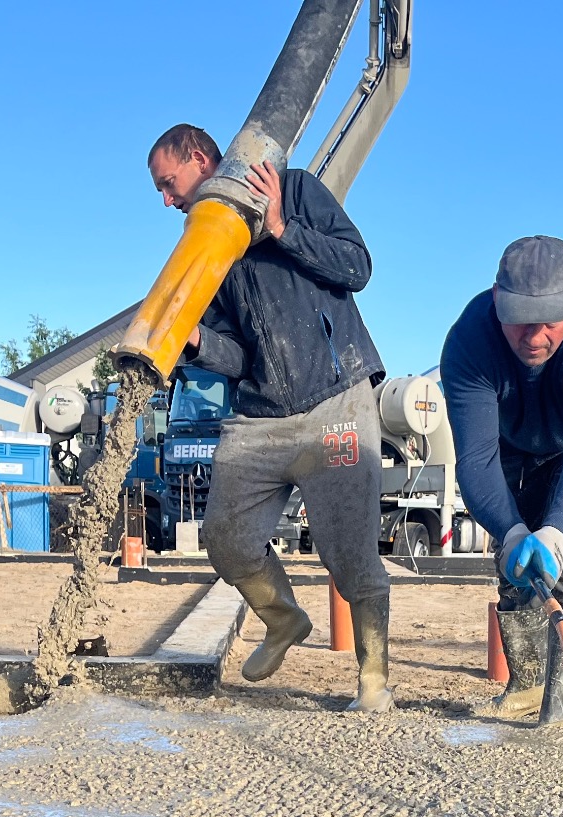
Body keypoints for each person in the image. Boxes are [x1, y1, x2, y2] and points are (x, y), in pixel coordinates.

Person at [147, 123, 393, 711]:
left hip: (335, 398)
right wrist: (199, 341)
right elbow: (235, 355)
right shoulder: (205, 250)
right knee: (225, 538)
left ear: (201, 159)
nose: (166, 200)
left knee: (349, 551)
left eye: (168, 183)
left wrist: (282, 227)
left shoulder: (298, 190)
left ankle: (375, 678)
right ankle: (283, 619)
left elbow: (357, 266)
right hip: (259, 417)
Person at [440, 236, 563, 724]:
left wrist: (556, 531)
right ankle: (526, 684)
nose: (534, 336)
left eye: (551, 321)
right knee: (515, 561)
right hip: (508, 443)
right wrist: (512, 533)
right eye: (520, 320)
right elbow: (477, 457)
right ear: (496, 298)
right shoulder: (469, 341)